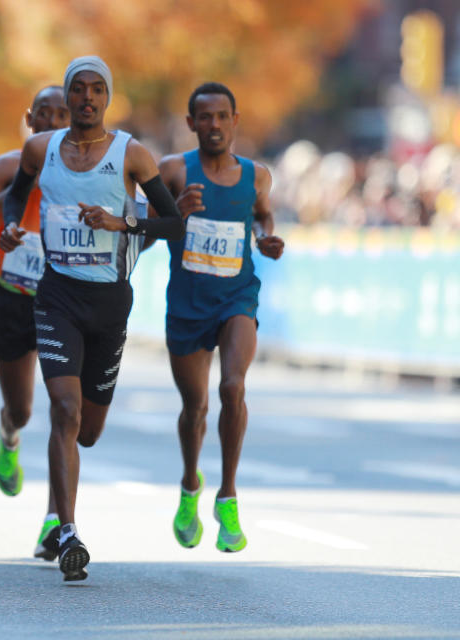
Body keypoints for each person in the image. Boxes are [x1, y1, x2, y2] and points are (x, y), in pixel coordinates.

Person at [0, 56, 185, 581]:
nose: (86, 98)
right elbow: (16, 198)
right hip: (56, 295)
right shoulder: (42, 149)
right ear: (68, 95)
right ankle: (67, 528)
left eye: (96, 89)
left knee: (88, 430)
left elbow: (171, 224)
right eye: (77, 89)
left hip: (109, 303)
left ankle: (63, 507)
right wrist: (12, 227)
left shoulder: (133, 154)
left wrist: (121, 221)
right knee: (64, 408)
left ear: (108, 98)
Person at [157, 82, 283, 553]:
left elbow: (263, 217)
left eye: (222, 116)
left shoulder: (257, 176)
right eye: (204, 117)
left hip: (236, 297)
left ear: (235, 120)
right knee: (196, 409)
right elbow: (147, 230)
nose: (214, 125)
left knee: (232, 387)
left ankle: (227, 495)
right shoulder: (173, 171)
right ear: (191, 124)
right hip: (187, 304)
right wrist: (175, 212)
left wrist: (266, 237)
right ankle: (191, 484)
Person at [0, 86, 70, 561]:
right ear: (29, 120)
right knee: (24, 410)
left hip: (65, 303)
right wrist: (19, 191)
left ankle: (57, 520)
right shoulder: (7, 168)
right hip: (13, 299)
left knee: (64, 408)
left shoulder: (85, 173)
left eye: (64, 116)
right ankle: (9, 433)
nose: (53, 124)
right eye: (44, 116)